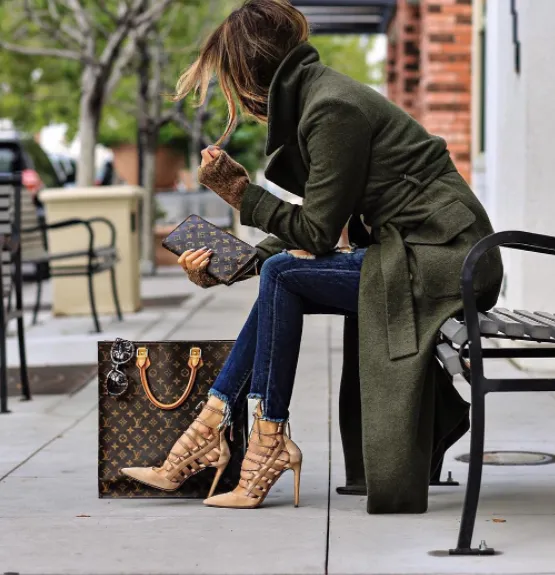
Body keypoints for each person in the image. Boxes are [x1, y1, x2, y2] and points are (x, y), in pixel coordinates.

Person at [122, 0, 503, 513]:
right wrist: (228, 266)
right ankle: (217, 429)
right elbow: (323, 224)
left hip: (446, 260)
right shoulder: (320, 97)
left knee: (284, 273)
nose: (236, 94)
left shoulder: (331, 107)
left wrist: (241, 195)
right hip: (415, 251)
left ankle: (257, 436)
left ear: (251, 70)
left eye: (232, 78)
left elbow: (318, 234)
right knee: (281, 272)